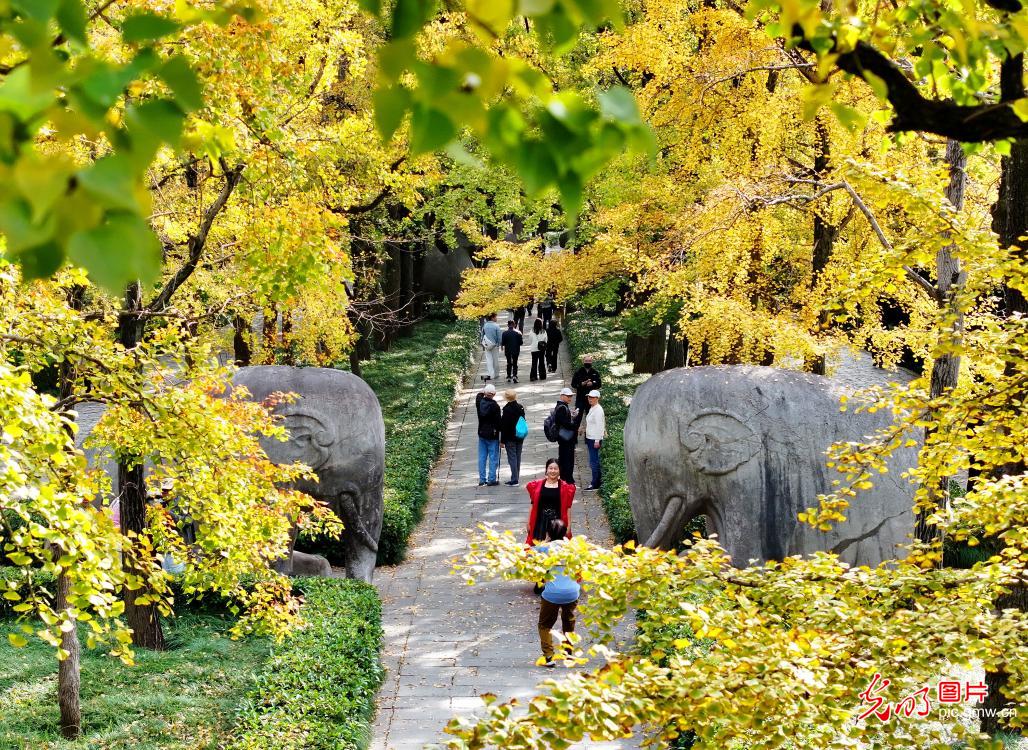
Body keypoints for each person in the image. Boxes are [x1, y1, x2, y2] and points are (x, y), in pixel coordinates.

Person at [534, 518, 580, 668]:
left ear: (548, 532)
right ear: (565, 532)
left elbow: (527, 556)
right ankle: (569, 654)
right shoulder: (574, 548)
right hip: (572, 592)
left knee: (544, 625)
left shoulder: (544, 548)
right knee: (569, 623)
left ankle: (549, 657)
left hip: (552, 593)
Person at [525, 458, 575, 545]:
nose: (553, 471)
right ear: (546, 470)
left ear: (559, 471)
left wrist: (569, 526)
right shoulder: (536, 486)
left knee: (556, 549)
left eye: (555, 468)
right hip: (540, 522)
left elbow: (568, 508)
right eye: (550, 468)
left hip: (556, 524)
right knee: (538, 548)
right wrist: (528, 522)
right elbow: (533, 505)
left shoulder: (566, 488)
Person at [476, 384, 501, 486]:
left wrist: (484, 391)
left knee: (482, 457)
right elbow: (499, 422)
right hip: (492, 434)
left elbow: (478, 395)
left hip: (482, 432)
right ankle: (491, 479)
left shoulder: (479, 402)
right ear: (494, 394)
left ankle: (482, 479)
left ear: (485, 393)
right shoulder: (495, 406)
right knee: (493, 457)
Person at [554, 387, 580, 484]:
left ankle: (565, 477)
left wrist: (571, 416)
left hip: (564, 438)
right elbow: (565, 423)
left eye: (571, 396)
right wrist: (575, 426)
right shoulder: (562, 407)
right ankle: (567, 478)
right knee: (567, 459)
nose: (570, 398)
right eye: (568, 396)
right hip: (566, 439)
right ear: (562, 396)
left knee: (565, 458)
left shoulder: (562, 406)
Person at [500, 389, 526, 485]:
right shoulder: (520, 407)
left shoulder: (506, 410)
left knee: (512, 458)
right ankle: (516, 477)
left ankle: (514, 479)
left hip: (510, 438)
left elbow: (504, 427)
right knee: (517, 457)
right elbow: (523, 421)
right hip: (520, 436)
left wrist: (502, 441)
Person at [582, 390, 606, 491]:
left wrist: (597, 440)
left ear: (597, 398)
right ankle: (597, 481)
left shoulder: (598, 410)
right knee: (593, 460)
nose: (590, 399)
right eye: (589, 397)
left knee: (593, 461)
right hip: (590, 437)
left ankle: (595, 483)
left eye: (592, 397)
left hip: (594, 439)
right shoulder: (593, 408)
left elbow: (600, 426)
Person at [481, 312, 502, 382]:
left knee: (489, 359)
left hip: (487, 345)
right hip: (494, 345)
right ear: (492, 318)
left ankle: (491, 374)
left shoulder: (485, 325)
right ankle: (496, 374)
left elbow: (482, 335)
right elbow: (499, 337)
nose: (496, 318)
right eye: (496, 317)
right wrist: (500, 344)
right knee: (495, 360)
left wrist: (483, 344)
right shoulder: (496, 326)